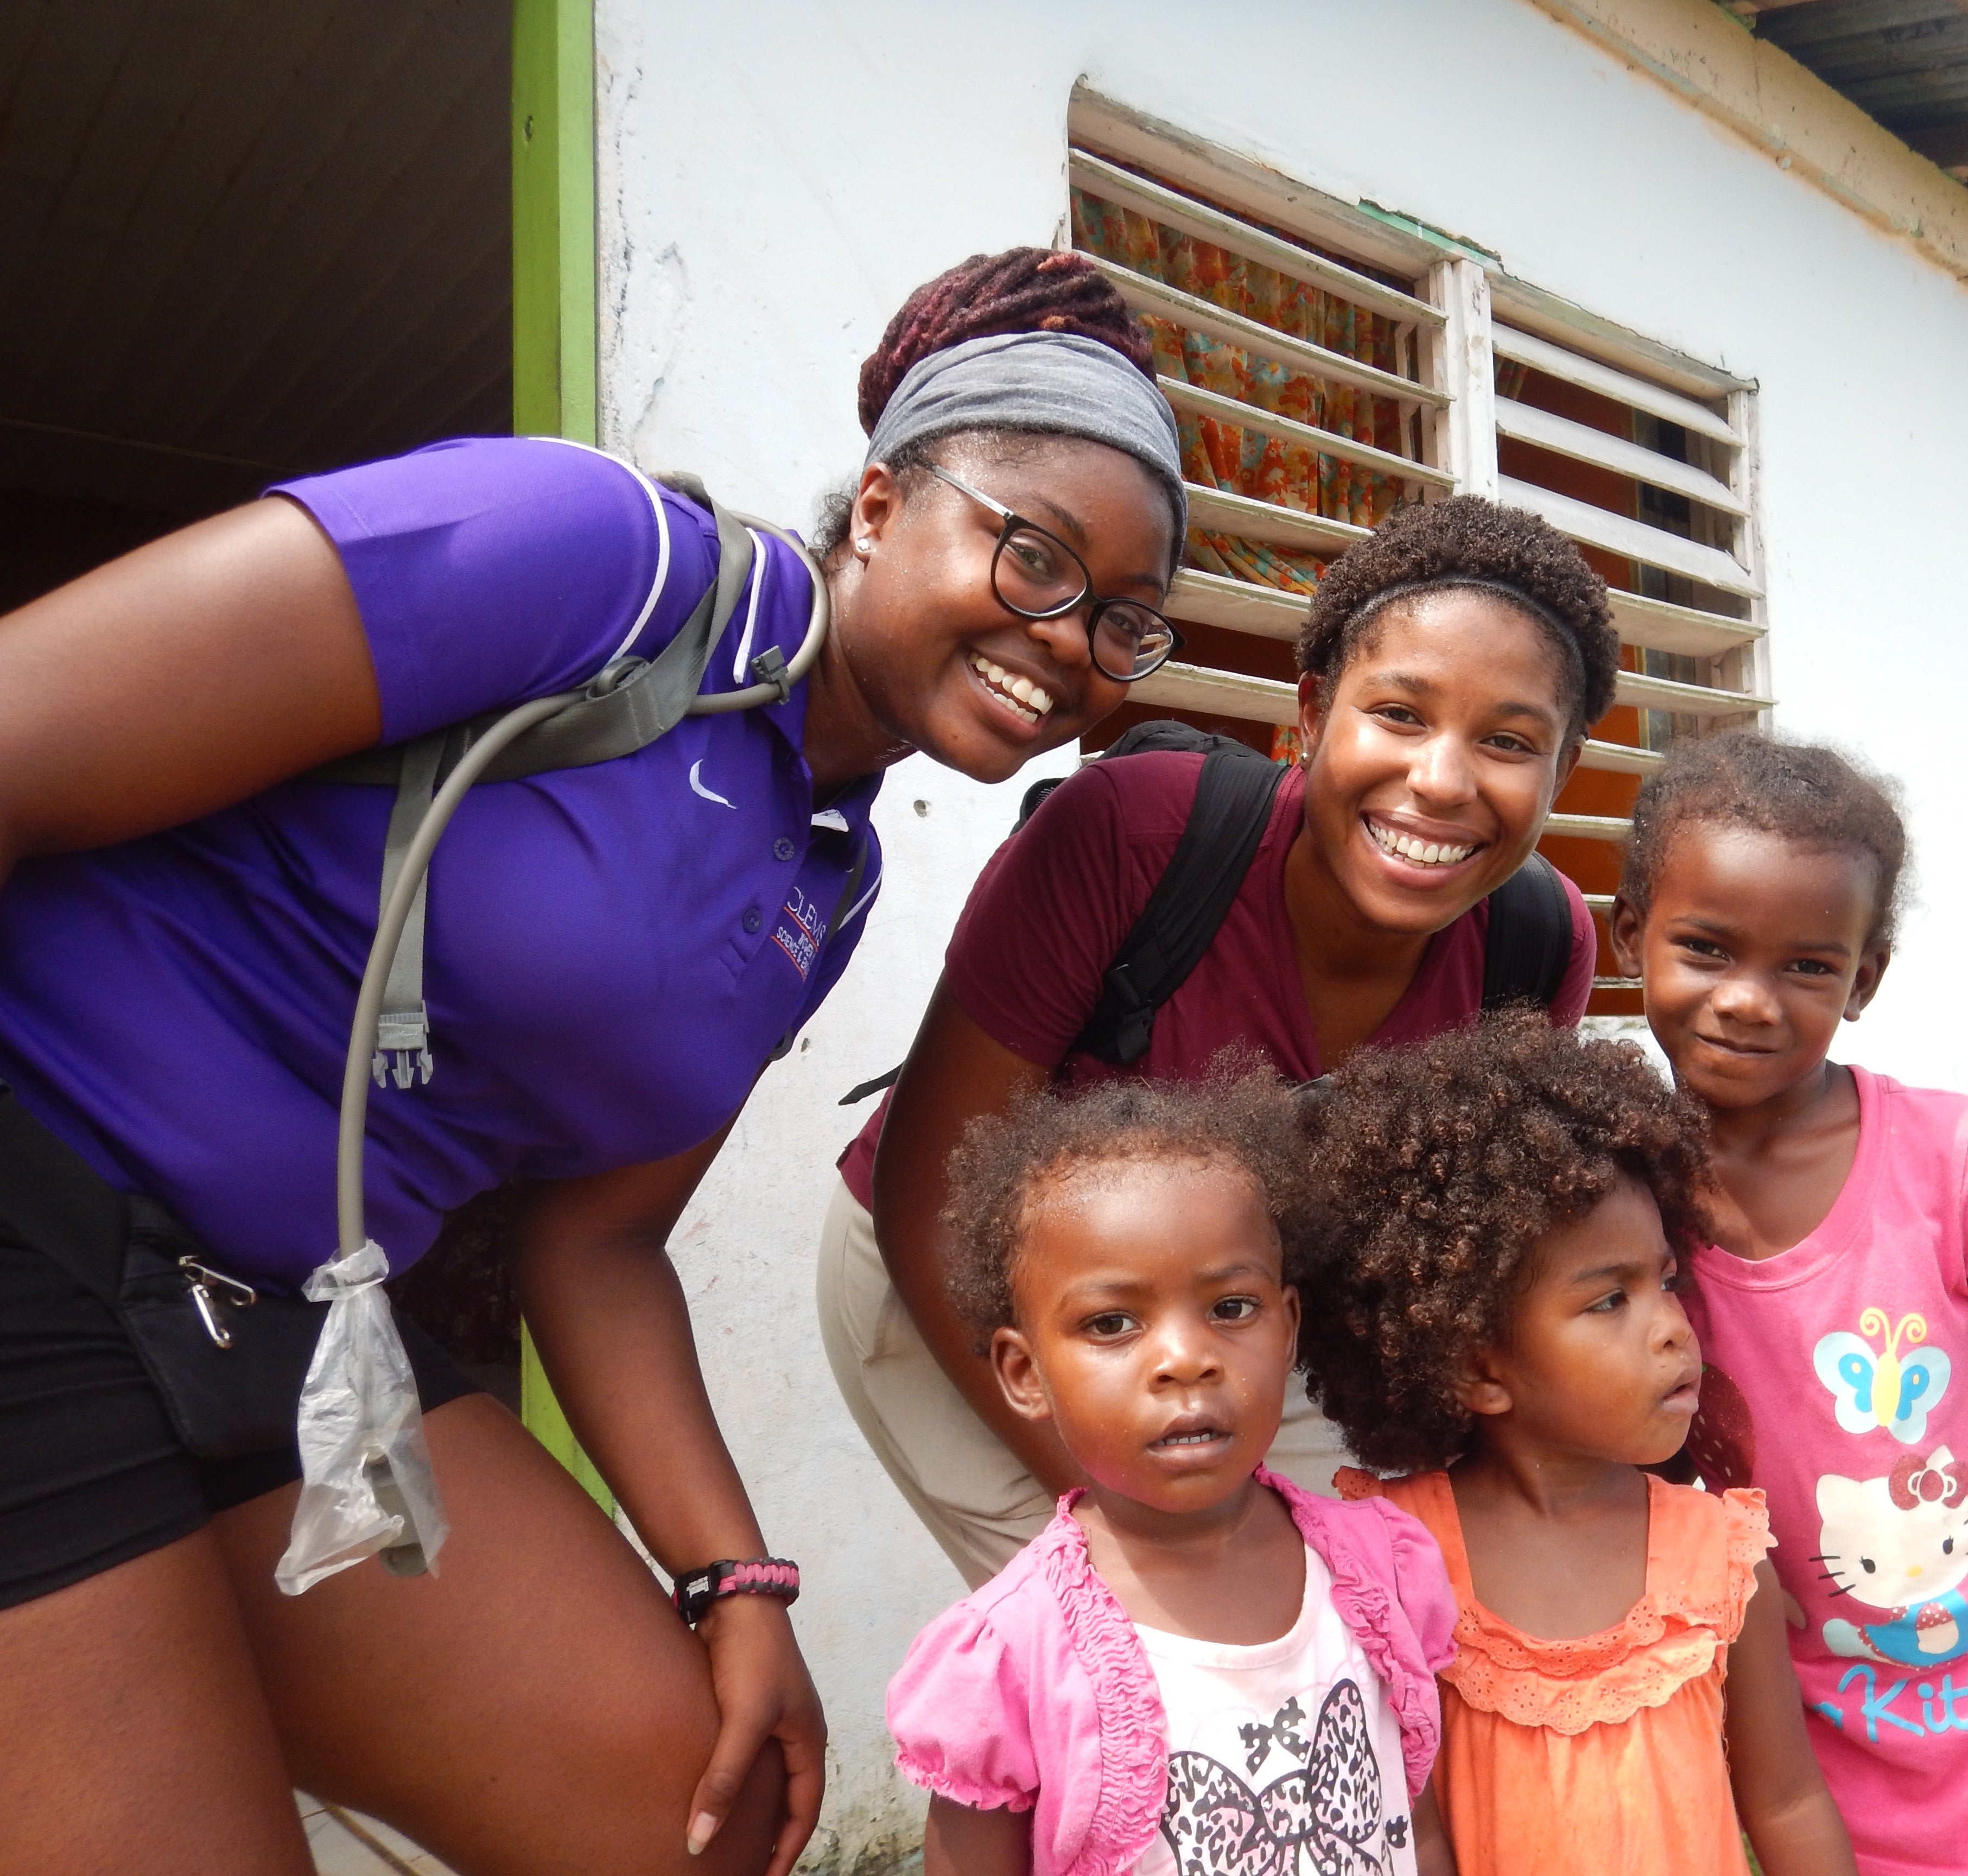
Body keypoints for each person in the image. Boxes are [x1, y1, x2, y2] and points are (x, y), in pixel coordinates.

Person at [0, 247, 1191, 1876]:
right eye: (1034, 555)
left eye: (1124, 620)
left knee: (705, 1813)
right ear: (880, 509)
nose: (1068, 642)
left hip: (283, 1334)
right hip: (36, 1229)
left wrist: (734, 1578)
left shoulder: (826, 877)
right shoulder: (596, 558)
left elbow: (600, 1238)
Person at [824, 495, 1615, 1585]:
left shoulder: (1536, 945)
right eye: (1398, 715)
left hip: (1233, 1309)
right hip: (957, 1281)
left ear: (1561, 774)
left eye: (1509, 742)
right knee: (1133, 1647)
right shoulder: (1131, 837)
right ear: (1312, 711)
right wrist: (1139, 1517)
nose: (1441, 780)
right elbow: (932, 1190)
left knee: (1338, 1614)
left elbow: (1456, 1260)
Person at [1607, 734, 1968, 1876]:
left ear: (1864, 979)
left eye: (1809, 968)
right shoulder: (1620, 1208)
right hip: (1796, 1772)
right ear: (1631, 937)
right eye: (1706, 949)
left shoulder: (1955, 1160)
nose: (1748, 1001)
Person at [1300, 1012, 1861, 1876]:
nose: (1673, 1329)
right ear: (1478, 1364)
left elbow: (1786, 1802)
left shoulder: (1719, 1553)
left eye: (1665, 1282)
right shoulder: (1389, 1559)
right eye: (1610, 1301)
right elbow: (1405, 1830)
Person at [886, 1071, 1458, 1876]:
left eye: (1231, 1309)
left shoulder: (1382, 1570)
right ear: (1024, 1372)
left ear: (1289, 1327)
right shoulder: (1011, 1657)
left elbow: (1420, 1829)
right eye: (1112, 1323)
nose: (1186, 1359)